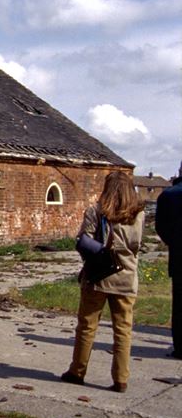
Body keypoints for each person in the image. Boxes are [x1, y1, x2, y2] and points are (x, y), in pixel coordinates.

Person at [61, 170, 145, 392]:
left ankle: (77, 371)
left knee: (87, 326)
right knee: (123, 330)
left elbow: (84, 242)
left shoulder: (95, 212)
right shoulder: (139, 214)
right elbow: (136, 245)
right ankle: (121, 379)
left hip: (98, 277)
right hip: (126, 278)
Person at [155, 163, 182, 359]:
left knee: (180, 305)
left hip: (179, 258)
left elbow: (161, 228)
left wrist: (174, 242)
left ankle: (180, 348)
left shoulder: (168, 196)